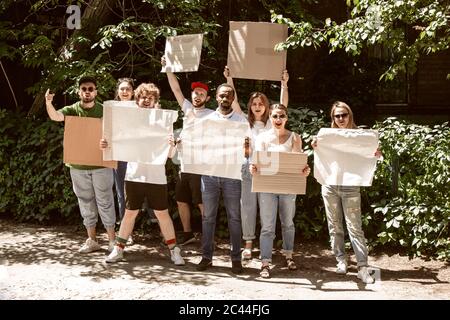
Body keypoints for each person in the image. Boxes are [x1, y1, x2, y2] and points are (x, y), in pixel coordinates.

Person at [103, 83, 184, 265]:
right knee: (130, 213)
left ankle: (174, 250)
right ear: (137, 100)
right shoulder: (129, 122)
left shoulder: (163, 122)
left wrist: (172, 144)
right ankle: (118, 249)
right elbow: (115, 143)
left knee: (162, 214)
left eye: (150, 97)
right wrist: (106, 145)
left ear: (155, 101)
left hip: (156, 177)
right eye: (142, 97)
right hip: (134, 175)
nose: (146, 100)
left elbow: (170, 155)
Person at [224, 67, 289, 260]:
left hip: (269, 170)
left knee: (267, 208)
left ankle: (266, 244)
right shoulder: (245, 121)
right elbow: (234, 102)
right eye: (254, 104)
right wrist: (229, 78)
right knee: (248, 206)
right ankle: (248, 243)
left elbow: (283, 104)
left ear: (267, 106)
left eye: (261, 103)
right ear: (250, 107)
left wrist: (284, 83)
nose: (258, 106)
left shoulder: (272, 122)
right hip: (248, 169)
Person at [312, 101, 381, 284]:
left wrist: (375, 154)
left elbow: (371, 155)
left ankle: (362, 267)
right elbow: (320, 155)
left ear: (350, 115)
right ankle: (341, 260)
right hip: (330, 185)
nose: (341, 119)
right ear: (332, 118)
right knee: (335, 226)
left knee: (355, 227)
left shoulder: (360, 136)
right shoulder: (327, 136)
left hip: (350, 186)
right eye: (337, 116)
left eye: (344, 115)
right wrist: (316, 146)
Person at [45, 77, 116, 253]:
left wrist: (109, 143)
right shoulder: (73, 109)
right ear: (79, 91)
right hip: (78, 166)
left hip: (102, 165)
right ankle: (92, 240)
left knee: (105, 201)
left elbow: (117, 133)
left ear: (96, 91)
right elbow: (55, 116)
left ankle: (112, 242)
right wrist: (48, 102)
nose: (87, 91)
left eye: (90, 88)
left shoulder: (105, 111)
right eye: (83, 88)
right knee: (85, 202)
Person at [250, 104, 311, 278]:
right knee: (267, 226)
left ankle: (289, 255)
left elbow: (298, 163)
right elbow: (257, 163)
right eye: (275, 116)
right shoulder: (262, 138)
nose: (278, 119)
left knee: (288, 223)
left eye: (281, 116)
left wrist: (304, 170)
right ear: (270, 117)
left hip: (287, 187)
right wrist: (252, 168)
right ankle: (265, 262)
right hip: (267, 187)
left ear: (286, 118)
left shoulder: (295, 137)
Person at [196, 83, 248, 274]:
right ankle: (206, 257)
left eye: (228, 96)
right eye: (221, 96)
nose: (225, 99)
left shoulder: (242, 122)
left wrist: (246, 158)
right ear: (216, 97)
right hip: (209, 175)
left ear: (233, 99)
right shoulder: (206, 120)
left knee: (234, 218)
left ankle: (236, 259)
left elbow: (247, 149)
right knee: (208, 217)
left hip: (232, 176)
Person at [161, 56, 213, 245]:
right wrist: (168, 69)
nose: (197, 96)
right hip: (184, 165)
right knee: (181, 201)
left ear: (207, 98)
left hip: (201, 167)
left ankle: (209, 236)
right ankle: (188, 234)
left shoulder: (213, 115)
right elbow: (176, 89)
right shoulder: (187, 109)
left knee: (201, 203)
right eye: (195, 93)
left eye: (201, 93)